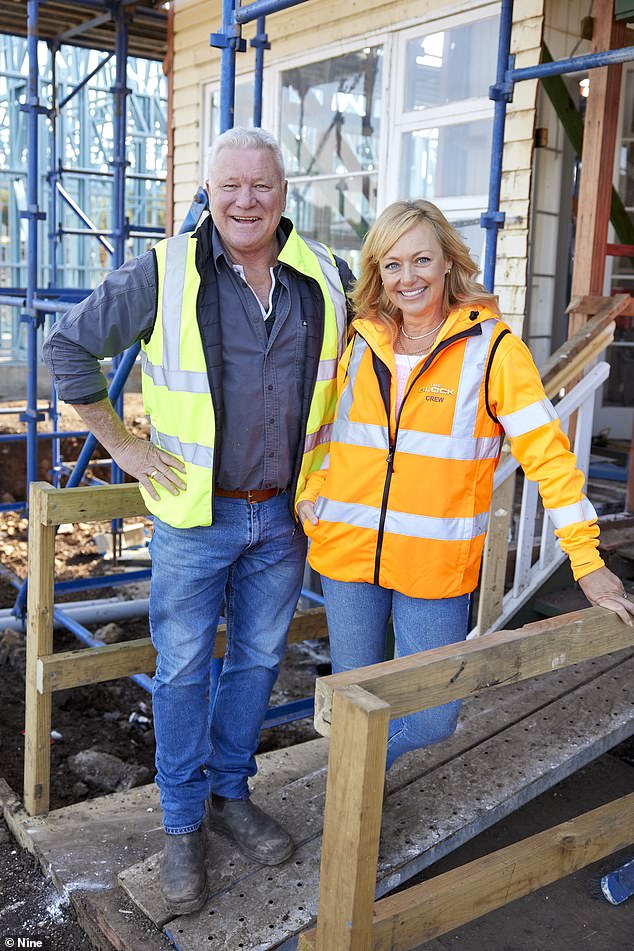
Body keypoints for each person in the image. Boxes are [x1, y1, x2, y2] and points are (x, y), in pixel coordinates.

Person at [43, 126, 353, 915]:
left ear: (285, 193)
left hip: (282, 519)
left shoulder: (326, 276)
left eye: (262, 185)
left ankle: (230, 796)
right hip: (193, 520)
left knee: (255, 663)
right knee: (182, 671)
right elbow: (67, 349)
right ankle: (183, 825)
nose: (246, 200)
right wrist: (124, 445)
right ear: (208, 192)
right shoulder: (164, 270)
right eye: (231, 186)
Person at [297, 199, 634, 770]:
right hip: (346, 555)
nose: (408, 278)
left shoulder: (493, 349)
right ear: (377, 272)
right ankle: (353, 811)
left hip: (435, 566)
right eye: (392, 264)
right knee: (354, 704)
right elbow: (325, 427)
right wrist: (312, 492)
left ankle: (349, 781)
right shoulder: (360, 341)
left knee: (430, 718)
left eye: (422, 260)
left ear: (449, 263)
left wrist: (586, 559)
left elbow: (549, 457)